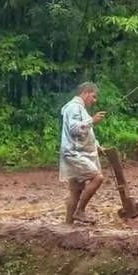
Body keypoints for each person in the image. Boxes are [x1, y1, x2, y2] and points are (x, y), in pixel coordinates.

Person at [59, 81, 107, 224]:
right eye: (93, 96)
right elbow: (74, 129)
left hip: (74, 153)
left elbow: (85, 134)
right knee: (97, 177)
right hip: (74, 154)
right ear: (85, 93)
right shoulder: (74, 108)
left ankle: (68, 225)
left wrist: (97, 145)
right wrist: (92, 120)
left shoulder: (79, 108)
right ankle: (80, 211)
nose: (94, 100)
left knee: (76, 190)